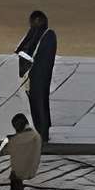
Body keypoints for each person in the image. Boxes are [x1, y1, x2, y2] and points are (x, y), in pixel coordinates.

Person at [14, 9, 57, 139]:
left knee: (40, 104)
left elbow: (39, 57)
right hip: (34, 77)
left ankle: (43, 133)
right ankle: (41, 131)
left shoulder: (47, 35)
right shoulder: (40, 34)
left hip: (39, 77)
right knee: (37, 104)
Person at [0, 112, 44, 190]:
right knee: (16, 182)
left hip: (21, 169)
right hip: (30, 164)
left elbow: (2, 151)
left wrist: (7, 141)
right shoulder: (35, 135)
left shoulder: (16, 140)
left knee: (15, 183)